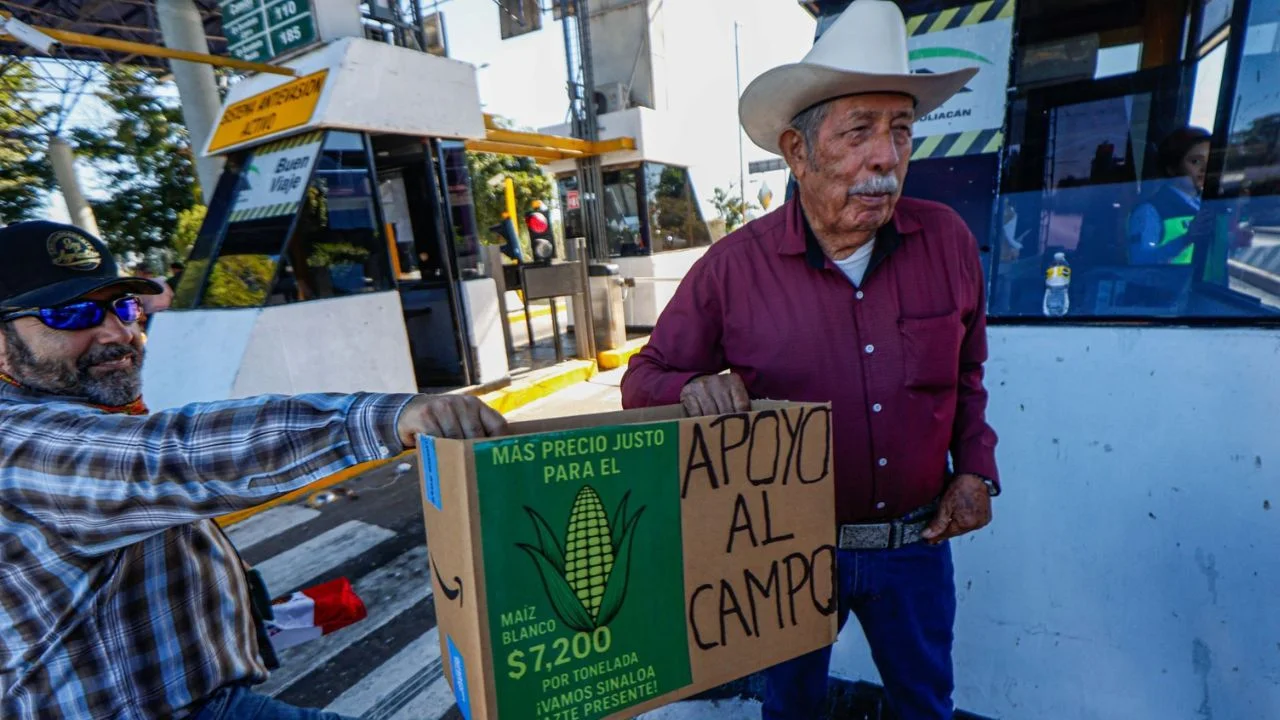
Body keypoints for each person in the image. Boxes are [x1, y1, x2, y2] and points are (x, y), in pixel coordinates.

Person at [620, 3, 999, 718]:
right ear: (799, 152)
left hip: (914, 546)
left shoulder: (946, 241)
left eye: (900, 131)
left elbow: (969, 373)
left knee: (925, 705)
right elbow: (641, 381)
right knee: (790, 709)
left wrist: (976, 468)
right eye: (859, 132)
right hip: (784, 552)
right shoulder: (733, 270)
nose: (886, 157)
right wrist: (693, 387)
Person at [0, 220, 509, 719]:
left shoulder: (80, 409)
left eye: (124, 307)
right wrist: (385, 416)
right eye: (71, 315)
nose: (119, 333)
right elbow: (169, 455)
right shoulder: (19, 444)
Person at [1128, 126, 1213, 265]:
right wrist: (1186, 239)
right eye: (1195, 161)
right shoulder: (1149, 211)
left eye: (1210, 161)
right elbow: (1140, 262)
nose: (1205, 169)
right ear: (1172, 168)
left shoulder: (1208, 206)